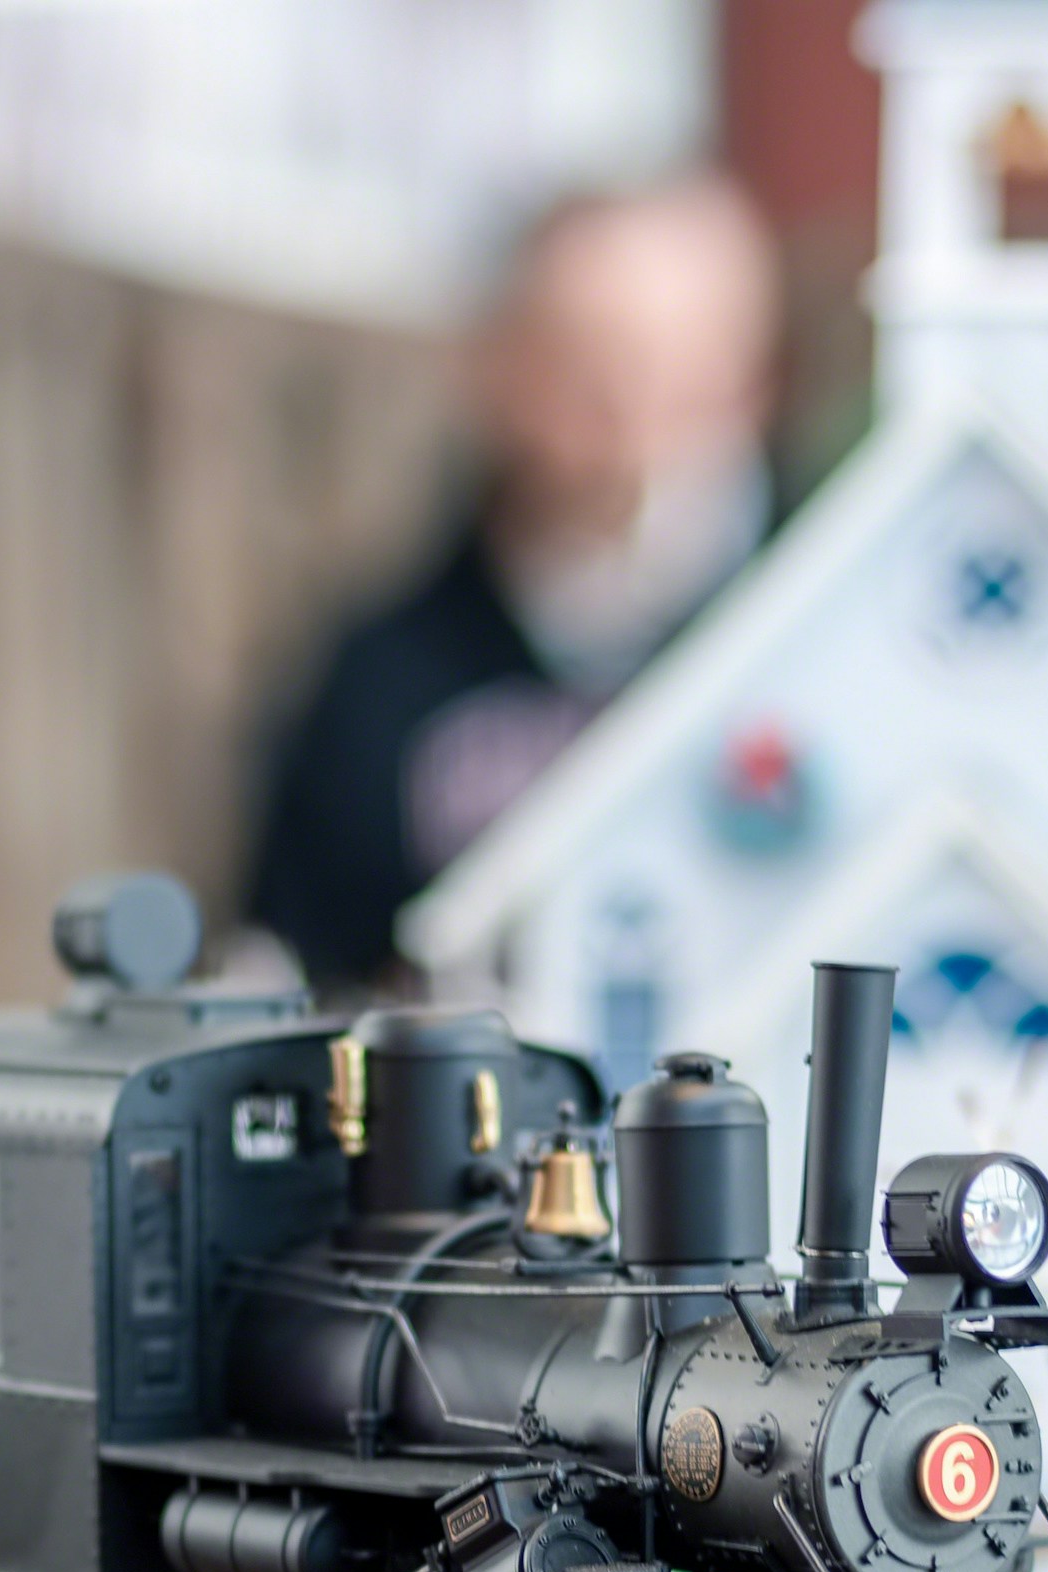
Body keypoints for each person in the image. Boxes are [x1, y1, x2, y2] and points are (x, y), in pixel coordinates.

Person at [242, 176, 784, 997]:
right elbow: (295, 961)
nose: (630, 423)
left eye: (682, 378)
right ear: (499, 369)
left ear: (751, 387)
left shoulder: (815, 634)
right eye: (587, 370)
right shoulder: (383, 680)